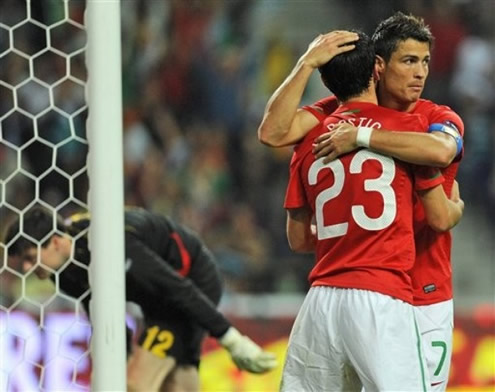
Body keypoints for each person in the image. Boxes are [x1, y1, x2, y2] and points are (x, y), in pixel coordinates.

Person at [258, 12, 464, 391]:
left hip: (423, 292)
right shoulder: (347, 116)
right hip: (385, 293)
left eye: (425, 62)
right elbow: (441, 210)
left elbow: (440, 149)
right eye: (409, 61)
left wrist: (361, 138)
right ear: (379, 67)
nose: (420, 73)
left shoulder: (432, 116)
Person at [4, 206, 277, 392]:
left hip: (191, 281)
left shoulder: (115, 245)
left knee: (136, 383)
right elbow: (101, 310)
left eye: (30, 257)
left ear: (56, 242)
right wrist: (116, 359)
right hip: (156, 300)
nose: (27, 268)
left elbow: (175, 288)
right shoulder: (61, 273)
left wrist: (231, 339)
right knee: (176, 382)